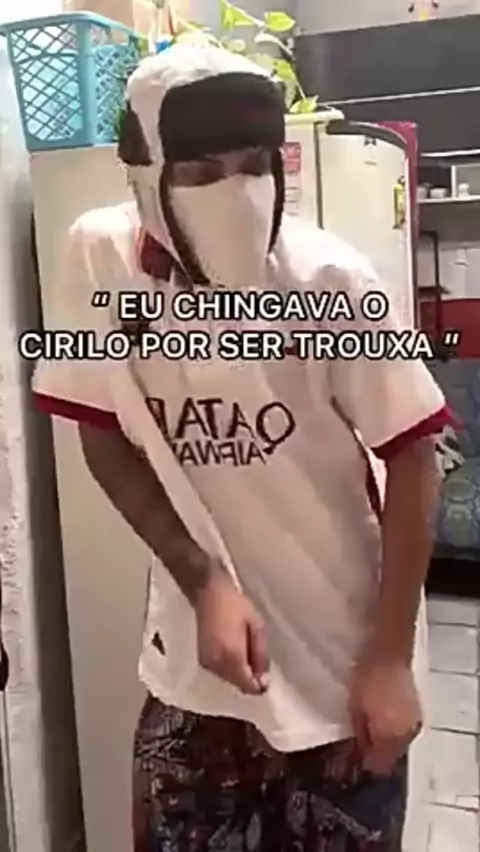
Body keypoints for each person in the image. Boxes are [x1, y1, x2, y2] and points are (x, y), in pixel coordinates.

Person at [33, 44, 454, 851]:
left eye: (256, 166)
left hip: (340, 670)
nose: (235, 194)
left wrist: (390, 660)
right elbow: (102, 433)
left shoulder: (329, 281)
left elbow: (413, 457)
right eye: (200, 173)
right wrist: (203, 580)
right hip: (196, 669)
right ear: (144, 176)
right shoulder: (99, 259)